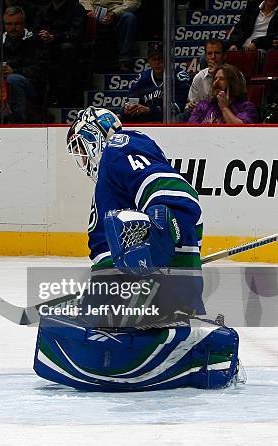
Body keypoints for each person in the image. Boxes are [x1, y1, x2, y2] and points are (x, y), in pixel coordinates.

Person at [35, 106, 241, 392]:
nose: (82, 158)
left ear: (97, 133)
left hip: (148, 288)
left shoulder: (120, 146)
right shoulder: (109, 175)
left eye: (82, 146)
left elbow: (175, 195)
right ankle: (173, 333)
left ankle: (184, 337)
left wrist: (161, 241)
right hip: (132, 289)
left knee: (64, 325)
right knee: (60, 319)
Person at [33, 0, 86, 106]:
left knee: (67, 49)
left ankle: (65, 97)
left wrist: (54, 37)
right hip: (46, 46)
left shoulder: (77, 9)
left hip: (67, 47)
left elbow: (76, 34)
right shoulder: (43, 10)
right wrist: (42, 35)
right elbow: (36, 30)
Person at [121, 42, 190, 123]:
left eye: (160, 59)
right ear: (149, 61)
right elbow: (130, 101)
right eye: (154, 59)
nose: (157, 62)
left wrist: (149, 110)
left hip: (170, 124)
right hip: (147, 123)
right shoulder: (141, 79)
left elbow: (179, 107)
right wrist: (128, 108)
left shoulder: (179, 77)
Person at [2, 6, 47, 123]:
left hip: (31, 86)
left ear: (23, 24)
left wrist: (14, 72)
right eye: (9, 24)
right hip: (1, 85)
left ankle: (18, 123)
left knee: (14, 79)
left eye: (17, 24)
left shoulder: (35, 41)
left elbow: (39, 70)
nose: (12, 28)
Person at [79, 0, 140, 72]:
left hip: (117, 11)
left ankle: (125, 60)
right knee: (81, 16)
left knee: (129, 17)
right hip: (95, 11)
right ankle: (87, 65)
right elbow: (84, 1)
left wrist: (113, 13)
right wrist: (90, 11)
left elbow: (132, 3)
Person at [188, 63, 258, 124]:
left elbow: (241, 130)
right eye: (215, 79)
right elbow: (191, 130)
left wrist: (224, 107)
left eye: (221, 79)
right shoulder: (203, 105)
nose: (216, 82)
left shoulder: (246, 107)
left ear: (233, 83)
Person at [185, 38, 227, 115]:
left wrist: (216, 74)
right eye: (209, 53)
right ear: (205, 56)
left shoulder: (235, 75)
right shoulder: (199, 77)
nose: (213, 57)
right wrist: (190, 106)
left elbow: (238, 104)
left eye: (217, 53)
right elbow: (189, 104)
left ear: (224, 55)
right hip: (203, 119)